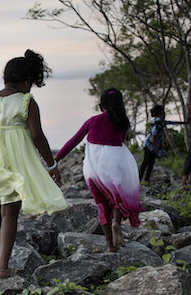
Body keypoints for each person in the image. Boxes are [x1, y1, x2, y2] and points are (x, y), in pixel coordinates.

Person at [0, 50, 67, 279]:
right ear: (27, 80)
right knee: (10, 214)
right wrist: (51, 165)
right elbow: (37, 136)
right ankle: (3, 268)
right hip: (13, 163)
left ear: (5, 76)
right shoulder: (26, 101)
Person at [54, 88, 143, 252]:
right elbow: (120, 141)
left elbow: (74, 141)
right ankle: (117, 222)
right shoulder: (123, 122)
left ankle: (109, 245)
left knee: (101, 203)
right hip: (116, 163)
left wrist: (56, 159)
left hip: (94, 167)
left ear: (101, 104)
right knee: (117, 198)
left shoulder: (93, 121)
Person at [140, 105, 184, 182]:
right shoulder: (157, 122)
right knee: (146, 162)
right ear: (161, 112)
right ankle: (140, 179)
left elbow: (172, 122)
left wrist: (184, 122)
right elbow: (154, 134)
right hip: (149, 145)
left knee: (151, 163)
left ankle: (146, 179)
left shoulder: (160, 121)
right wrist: (154, 146)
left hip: (151, 145)